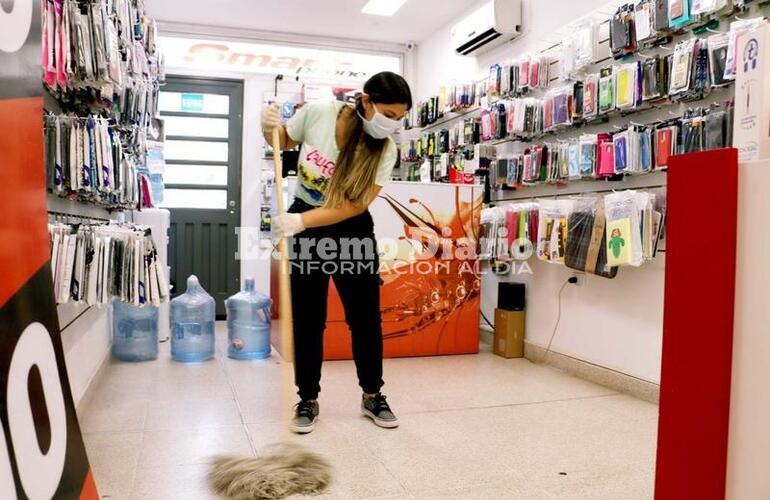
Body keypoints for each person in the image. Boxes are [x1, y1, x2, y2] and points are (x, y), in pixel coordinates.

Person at [261, 72, 412, 434]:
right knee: (309, 319)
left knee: (364, 318)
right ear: (366, 101)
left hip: (350, 228)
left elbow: (355, 205)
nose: (392, 124)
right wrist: (267, 126)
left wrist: (300, 222)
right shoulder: (318, 113)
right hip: (305, 216)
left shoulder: (385, 149)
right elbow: (282, 141)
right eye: (388, 114)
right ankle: (307, 398)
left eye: (399, 118)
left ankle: (372, 394)